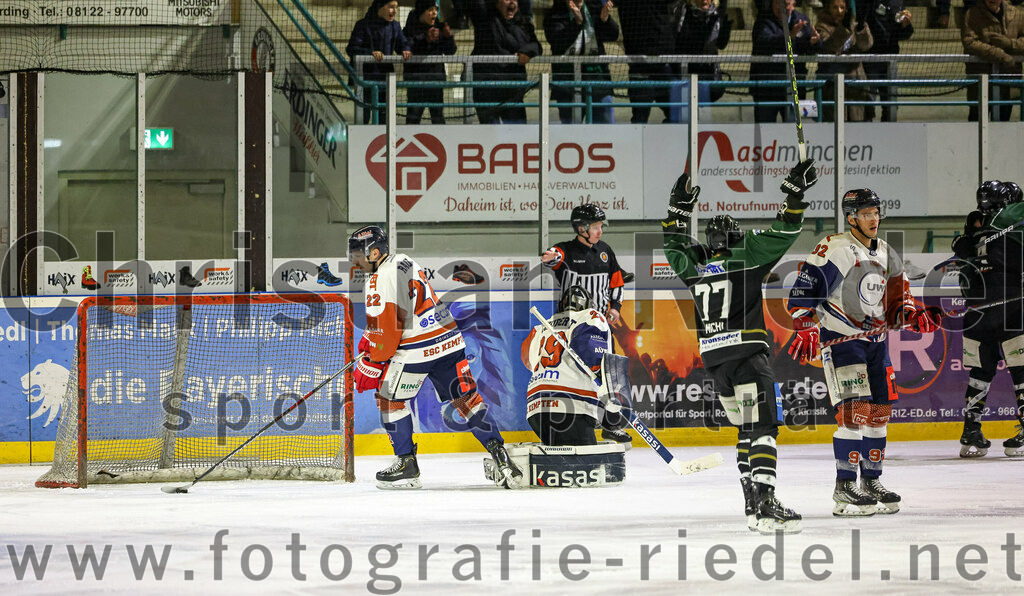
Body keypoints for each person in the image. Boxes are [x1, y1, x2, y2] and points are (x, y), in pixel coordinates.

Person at [662, 159, 819, 533]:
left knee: (746, 430)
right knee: (761, 426)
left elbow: (673, 243)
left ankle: (752, 505)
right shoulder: (747, 253)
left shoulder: (695, 268)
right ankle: (765, 505)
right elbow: (786, 229)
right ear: (735, 238)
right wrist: (795, 194)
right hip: (748, 357)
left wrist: (677, 209)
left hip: (716, 366)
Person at [787, 189, 943, 517]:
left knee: (879, 413)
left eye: (876, 212)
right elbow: (804, 289)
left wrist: (914, 315)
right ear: (851, 217)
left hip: (876, 343)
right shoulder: (834, 248)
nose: (873, 219)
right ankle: (844, 487)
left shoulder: (887, 251)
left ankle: (871, 480)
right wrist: (804, 323)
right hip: (842, 342)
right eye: (866, 213)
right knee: (854, 412)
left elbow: (899, 298)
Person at [348, 225, 524, 489]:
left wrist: (372, 360)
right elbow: (400, 312)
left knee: (388, 400)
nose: (355, 262)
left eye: (358, 255)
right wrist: (373, 337)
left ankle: (407, 465)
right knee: (466, 399)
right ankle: (501, 455)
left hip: (417, 349)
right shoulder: (405, 260)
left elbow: (388, 339)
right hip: (449, 340)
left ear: (374, 252)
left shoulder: (377, 280)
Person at [541, 204, 631, 442]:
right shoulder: (567, 250)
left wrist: (616, 307)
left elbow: (617, 281)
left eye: (601, 226)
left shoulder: (605, 251)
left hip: (601, 327)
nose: (600, 231)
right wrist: (551, 256)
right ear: (581, 228)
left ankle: (611, 425)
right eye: (595, 227)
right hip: (572, 328)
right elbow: (553, 257)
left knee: (609, 375)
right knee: (577, 375)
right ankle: (574, 421)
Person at [951, 181, 1024, 457]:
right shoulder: (1013, 220)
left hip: (977, 310)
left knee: (980, 372)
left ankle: (970, 431)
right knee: (1021, 368)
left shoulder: (974, 228)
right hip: (1011, 303)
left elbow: (960, 250)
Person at [521, 285, 613, 445]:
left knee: (559, 462)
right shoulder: (590, 315)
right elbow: (592, 357)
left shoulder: (540, 327)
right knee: (586, 465)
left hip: (537, 408)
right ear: (588, 304)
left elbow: (528, 361)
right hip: (572, 405)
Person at [544, 0, 620, 124]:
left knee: (606, 132)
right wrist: (577, 23)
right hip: (567, 85)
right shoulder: (554, 15)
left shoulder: (594, 9)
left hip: (598, 82)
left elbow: (613, 35)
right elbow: (557, 42)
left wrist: (605, 20)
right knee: (571, 135)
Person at [470, 0, 542, 124]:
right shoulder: (485, 20)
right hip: (486, 91)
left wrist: (526, 52)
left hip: (513, 92)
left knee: (517, 136)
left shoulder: (523, 23)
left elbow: (536, 45)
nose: (512, 2)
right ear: (497, 3)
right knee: (490, 138)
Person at [750, 0, 821, 123]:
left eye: (787, 3)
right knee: (765, 131)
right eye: (779, 3)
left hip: (795, 87)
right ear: (772, 3)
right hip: (767, 90)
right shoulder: (763, 21)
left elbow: (807, 47)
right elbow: (764, 43)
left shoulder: (802, 20)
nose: (783, 7)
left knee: (795, 132)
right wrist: (789, 37)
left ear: (793, 4)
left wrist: (814, 42)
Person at [347, 0, 412, 124]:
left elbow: (402, 43)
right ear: (380, 7)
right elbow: (351, 48)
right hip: (364, 79)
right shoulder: (363, 25)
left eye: (396, 7)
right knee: (363, 117)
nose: (395, 11)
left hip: (385, 79)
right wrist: (370, 53)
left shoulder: (395, 26)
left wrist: (405, 49)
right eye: (391, 7)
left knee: (384, 118)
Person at [962, 0, 1024, 122]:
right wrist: (998, 54)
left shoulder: (1017, 15)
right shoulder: (972, 14)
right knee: (976, 124)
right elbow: (969, 43)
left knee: (1003, 123)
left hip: (1007, 81)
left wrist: (1010, 43)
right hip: (980, 82)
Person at [616, 0, 676, 123]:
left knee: (677, 117)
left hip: (663, 64)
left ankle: (667, 140)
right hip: (639, 65)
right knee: (640, 120)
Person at [816, 0, 874, 121]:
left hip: (856, 84)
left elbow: (866, 45)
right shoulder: (822, 26)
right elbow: (830, 47)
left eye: (842, 8)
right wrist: (844, 28)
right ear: (828, 8)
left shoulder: (855, 25)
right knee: (835, 125)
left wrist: (861, 28)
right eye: (835, 7)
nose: (839, 11)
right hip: (832, 86)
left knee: (857, 126)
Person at [857, 0, 913, 122]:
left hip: (890, 61)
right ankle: (865, 134)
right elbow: (861, 23)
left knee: (891, 105)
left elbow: (904, 34)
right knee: (867, 104)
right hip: (870, 59)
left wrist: (905, 25)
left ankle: (890, 135)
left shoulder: (897, 3)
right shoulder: (867, 3)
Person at [403, 0, 457, 125]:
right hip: (416, 83)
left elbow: (451, 51)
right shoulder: (410, 28)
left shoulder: (440, 27)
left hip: (435, 81)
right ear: (422, 12)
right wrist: (426, 39)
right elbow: (408, 47)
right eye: (430, 10)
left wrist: (449, 37)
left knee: (437, 117)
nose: (434, 13)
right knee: (413, 119)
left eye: (436, 9)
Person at [672, 0, 733, 103]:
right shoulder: (684, 12)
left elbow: (721, 44)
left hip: (709, 76)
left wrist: (726, 28)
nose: (705, 1)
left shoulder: (717, 14)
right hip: (685, 72)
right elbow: (684, 42)